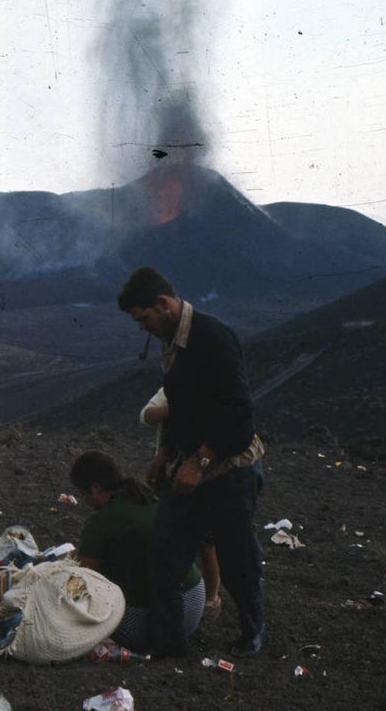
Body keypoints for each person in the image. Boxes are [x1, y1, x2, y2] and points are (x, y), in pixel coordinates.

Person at [118, 267, 265, 659]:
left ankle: (252, 632)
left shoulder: (212, 338)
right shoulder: (173, 342)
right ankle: (168, 645)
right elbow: (178, 408)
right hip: (187, 467)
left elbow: (239, 412)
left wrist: (200, 461)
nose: (142, 328)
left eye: (144, 318)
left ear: (163, 305)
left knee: (237, 558)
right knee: (165, 552)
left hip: (228, 469)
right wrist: (164, 453)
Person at [69, 449, 205, 653]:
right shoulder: (150, 498)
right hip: (193, 600)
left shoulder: (101, 522)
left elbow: (82, 583)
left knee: (81, 603)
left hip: (154, 621)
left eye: (84, 494)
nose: (85, 501)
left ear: (96, 488)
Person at [141, 387, 222, 616]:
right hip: (172, 471)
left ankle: (211, 597)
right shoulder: (172, 388)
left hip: (206, 474)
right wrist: (176, 406)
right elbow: (147, 415)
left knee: (206, 542)